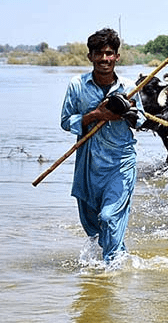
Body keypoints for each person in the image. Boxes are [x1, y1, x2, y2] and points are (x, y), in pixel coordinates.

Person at [60, 28, 145, 263]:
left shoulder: (128, 88)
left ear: (117, 57)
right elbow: (66, 121)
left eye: (109, 53)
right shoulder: (77, 85)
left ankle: (112, 274)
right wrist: (94, 115)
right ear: (90, 57)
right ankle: (113, 264)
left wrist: (125, 114)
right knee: (94, 227)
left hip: (120, 162)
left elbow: (142, 120)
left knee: (109, 217)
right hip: (88, 164)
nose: (104, 59)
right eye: (98, 54)